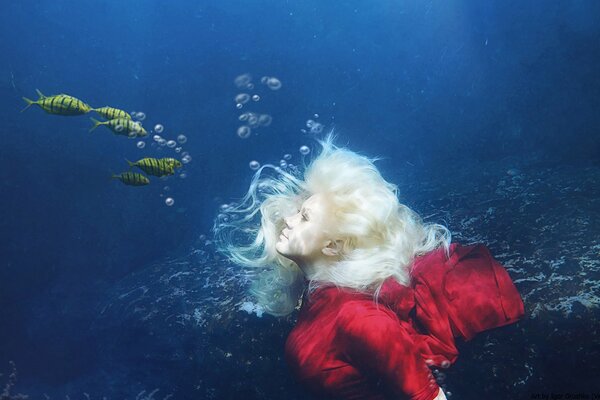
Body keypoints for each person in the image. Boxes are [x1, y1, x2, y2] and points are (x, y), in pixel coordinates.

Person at [214, 133, 524, 400]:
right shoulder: (316, 295)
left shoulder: (359, 319)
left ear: (333, 245)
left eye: (305, 218)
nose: (289, 220)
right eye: (299, 212)